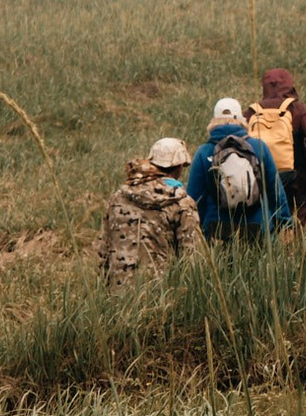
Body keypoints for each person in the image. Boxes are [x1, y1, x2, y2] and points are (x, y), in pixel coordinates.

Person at [96, 138, 204, 284]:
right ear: (179, 168)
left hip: (119, 288)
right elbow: (191, 258)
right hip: (159, 294)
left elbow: (104, 248)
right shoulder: (181, 203)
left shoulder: (118, 197)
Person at [185, 97, 289, 243]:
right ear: (241, 119)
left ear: (214, 120)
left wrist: (200, 228)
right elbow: (275, 189)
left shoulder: (204, 151)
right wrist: (284, 222)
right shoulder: (259, 147)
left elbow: (194, 197)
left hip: (217, 230)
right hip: (257, 227)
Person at [250, 68, 306, 231]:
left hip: (263, 175)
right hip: (297, 176)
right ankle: (303, 250)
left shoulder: (254, 111)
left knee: (270, 213)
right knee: (301, 215)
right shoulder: (297, 109)